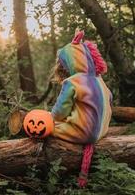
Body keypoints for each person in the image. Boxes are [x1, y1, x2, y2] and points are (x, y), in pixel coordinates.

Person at [51, 30, 112, 187]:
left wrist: (52, 120)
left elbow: (59, 112)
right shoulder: (100, 82)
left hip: (82, 132)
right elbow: (109, 102)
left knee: (46, 127)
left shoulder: (72, 82)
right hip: (101, 132)